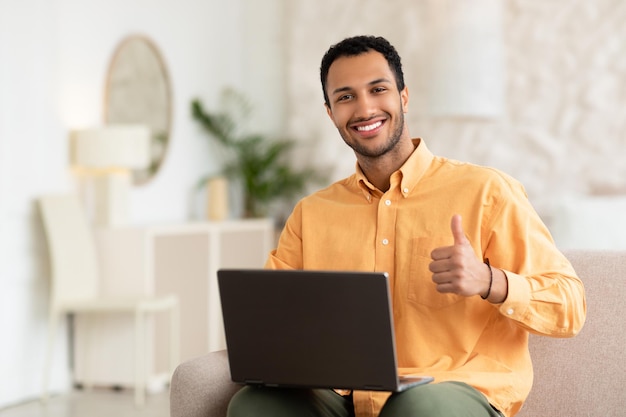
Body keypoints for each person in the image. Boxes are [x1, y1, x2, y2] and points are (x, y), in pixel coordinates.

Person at [226, 35, 586, 417]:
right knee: (254, 404)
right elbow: (272, 322)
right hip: (342, 397)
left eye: (377, 89)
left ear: (404, 97)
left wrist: (488, 281)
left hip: (448, 391)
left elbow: (570, 305)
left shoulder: (487, 191)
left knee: (418, 407)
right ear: (330, 113)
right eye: (345, 97)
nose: (365, 108)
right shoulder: (311, 213)